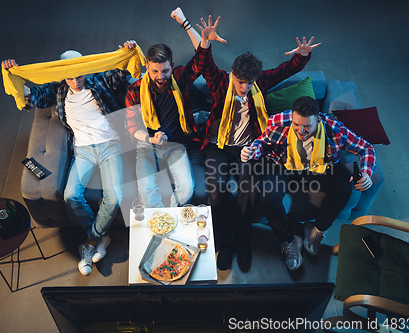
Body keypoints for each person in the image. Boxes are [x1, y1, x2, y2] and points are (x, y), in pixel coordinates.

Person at [194, 15, 320, 272]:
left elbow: (286, 70)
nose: (245, 87)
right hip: (218, 146)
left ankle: (242, 242)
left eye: (249, 82)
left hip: (247, 149)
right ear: (233, 76)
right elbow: (205, 65)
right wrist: (205, 42)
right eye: (241, 81)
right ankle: (227, 243)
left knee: (248, 196)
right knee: (217, 194)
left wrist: (302, 56)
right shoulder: (220, 82)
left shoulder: (258, 84)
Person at [1, 40, 137, 276]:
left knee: (114, 198)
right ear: (63, 75)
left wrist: (128, 50)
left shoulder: (100, 79)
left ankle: (91, 243)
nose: (76, 81)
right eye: (71, 77)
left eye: (80, 74)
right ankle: (100, 237)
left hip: (111, 145)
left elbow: (122, 71)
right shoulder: (58, 91)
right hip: (83, 150)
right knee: (70, 195)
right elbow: (30, 98)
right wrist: (13, 74)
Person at [241, 96, 375, 271]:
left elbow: (366, 148)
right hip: (285, 164)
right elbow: (261, 143)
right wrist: (252, 151)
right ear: (292, 118)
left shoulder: (335, 129)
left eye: (307, 126)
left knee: (344, 188)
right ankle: (289, 241)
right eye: (297, 124)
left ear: (318, 120)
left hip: (321, 164)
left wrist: (366, 172)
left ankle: (316, 230)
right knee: (268, 196)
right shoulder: (279, 123)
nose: (301, 130)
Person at [124, 16, 225, 208]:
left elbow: (201, 60)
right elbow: (132, 127)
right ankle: (161, 222)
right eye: (155, 72)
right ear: (147, 66)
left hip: (176, 145)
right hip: (147, 146)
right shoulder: (134, 90)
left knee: (187, 189)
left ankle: (168, 218)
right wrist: (150, 139)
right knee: (146, 190)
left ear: (171, 65)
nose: (160, 77)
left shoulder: (179, 77)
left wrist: (202, 39)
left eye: (165, 71)